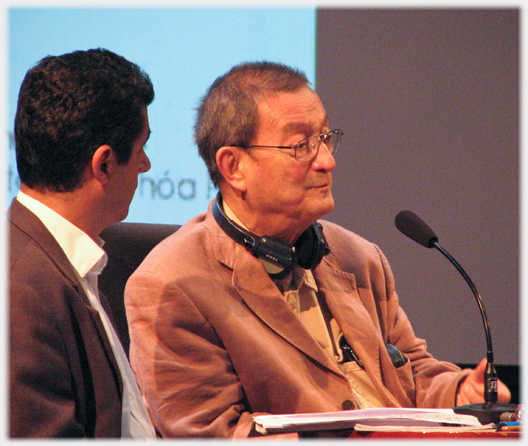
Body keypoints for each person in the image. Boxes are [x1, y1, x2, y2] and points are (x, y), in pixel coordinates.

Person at [125, 61, 511, 438]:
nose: (327, 161)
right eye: (301, 146)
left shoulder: (358, 257)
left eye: (326, 139)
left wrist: (461, 392)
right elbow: (214, 432)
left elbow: (412, 377)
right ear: (234, 167)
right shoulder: (173, 284)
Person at [9, 48, 157, 438]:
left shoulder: (62, 263)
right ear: (104, 164)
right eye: (141, 148)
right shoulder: (22, 293)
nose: (146, 166)